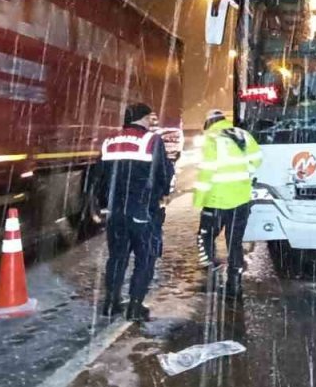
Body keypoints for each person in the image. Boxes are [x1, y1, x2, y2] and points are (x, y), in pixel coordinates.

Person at [92, 103, 175, 321]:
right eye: (149, 118)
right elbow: (164, 174)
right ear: (142, 119)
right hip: (142, 211)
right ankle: (135, 307)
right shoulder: (151, 141)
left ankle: (111, 303)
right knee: (145, 258)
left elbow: (98, 176)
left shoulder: (110, 141)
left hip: (115, 212)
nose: (151, 122)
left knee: (117, 257)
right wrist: (163, 193)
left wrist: (105, 203)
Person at [194, 109, 263, 297]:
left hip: (216, 199)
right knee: (235, 242)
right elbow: (257, 160)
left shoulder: (211, 139)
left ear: (208, 124)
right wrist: (244, 174)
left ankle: (211, 269)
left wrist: (199, 198)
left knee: (204, 236)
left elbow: (206, 171)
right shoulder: (242, 135)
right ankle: (235, 284)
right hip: (241, 198)